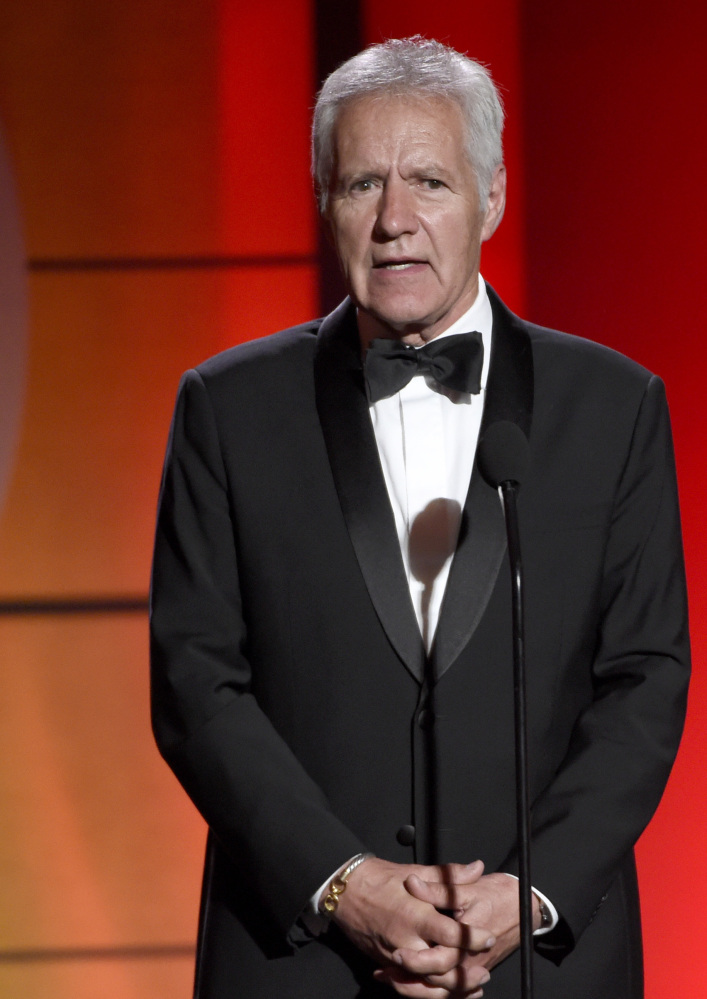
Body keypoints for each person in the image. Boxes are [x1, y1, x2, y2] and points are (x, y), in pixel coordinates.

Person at [150, 36, 690, 999]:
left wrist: (529, 892)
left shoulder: (613, 406)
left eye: (429, 182)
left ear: (493, 195)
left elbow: (644, 679)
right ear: (324, 201)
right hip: (301, 959)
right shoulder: (227, 409)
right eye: (362, 184)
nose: (395, 219)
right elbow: (195, 681)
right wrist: (341, 882)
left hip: (540, 964)